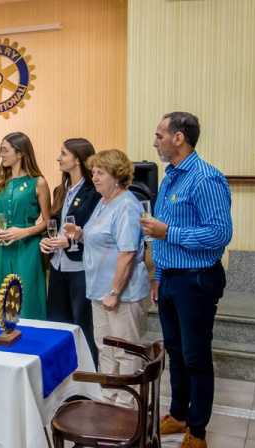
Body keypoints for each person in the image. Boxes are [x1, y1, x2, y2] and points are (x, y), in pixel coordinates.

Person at [142, 112, 232, 448]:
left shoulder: (205, 178)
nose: (155, 142)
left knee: (196, 356)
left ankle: (197, 430)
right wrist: (159, 277)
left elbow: (220, 234)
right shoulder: (169, 178)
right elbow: (164, 239)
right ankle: (178, 414)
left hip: (197, 280)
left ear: (179, 138)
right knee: (175, 353)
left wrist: (169, 231)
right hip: (170, 280)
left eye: (159, 135)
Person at [72, 149, 150, 409]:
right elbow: (101, 239)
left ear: (117, 176)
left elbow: (127, 253)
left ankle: (128, 406)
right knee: (104, 348)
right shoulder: (103, 201)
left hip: (121, 294)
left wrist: (114, 292)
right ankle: (108, 399)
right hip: (98, 290)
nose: (94, 177)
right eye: (93, 172)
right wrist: (80, 234)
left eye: (100, 172)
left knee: (125, 352)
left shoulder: (127, 204)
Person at [39, 138, 102, 365]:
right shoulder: (60, 189)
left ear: (77, 159)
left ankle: (88, 376)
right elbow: (52, 224)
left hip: (81, 268)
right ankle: (61, 373)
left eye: (63, 154)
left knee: (83, 325)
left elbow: (96, 230)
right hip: (57, 266)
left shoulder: (94, 191)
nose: (59, 158)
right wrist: (46, 241)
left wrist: (70, 241)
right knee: (57, 324)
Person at [0, 132, 50, 319]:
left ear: (20, 153)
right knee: (3, 294)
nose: (1, 154)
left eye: (5, 150)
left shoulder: (38, 182)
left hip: (27, 246)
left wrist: (23, 232)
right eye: (0, 150)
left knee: (27, 295)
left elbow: (48, 222)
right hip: (1, 246)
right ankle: (5, 334)